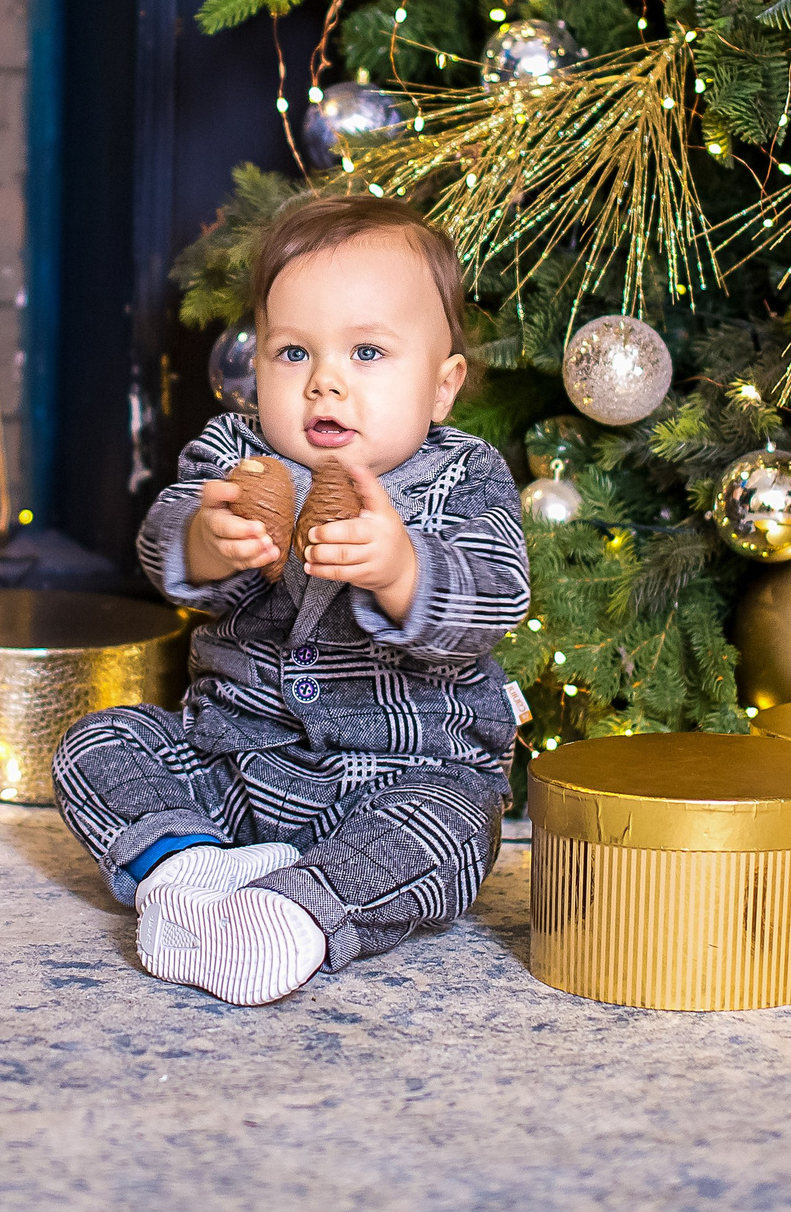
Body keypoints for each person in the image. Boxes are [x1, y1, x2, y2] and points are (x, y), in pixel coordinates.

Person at [51, 195, 532, 1005]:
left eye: (369, 352)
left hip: (403, 773)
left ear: (442, 385)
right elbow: (163, 539)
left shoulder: (465, 475)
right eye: (294, 353)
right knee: (96, 744)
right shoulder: (234, 455)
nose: (326, 384)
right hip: (237, 761)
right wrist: (209, 544)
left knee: (450, 832)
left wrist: (402, 570)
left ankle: (293, 915)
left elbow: (497, 594)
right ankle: (189, 871)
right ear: (259, 363)